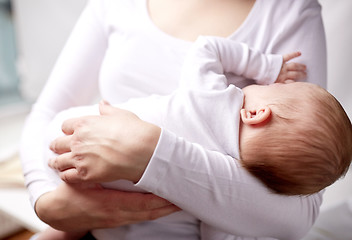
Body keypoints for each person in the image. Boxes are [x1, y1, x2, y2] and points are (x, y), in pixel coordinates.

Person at [20, 0, 328, 239]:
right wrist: (46, 202)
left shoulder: (290, 12)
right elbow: (46, 114)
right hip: (94, 224)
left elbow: (302, 205)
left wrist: (147, 153)